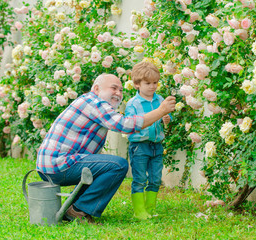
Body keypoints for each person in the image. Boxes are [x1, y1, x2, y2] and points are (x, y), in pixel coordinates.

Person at [36, 74, 175, 223]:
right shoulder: (94, 102)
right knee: (117, 165)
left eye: (121, 90)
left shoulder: (90, 102)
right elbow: (124, 125)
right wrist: (161, 111)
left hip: (52, 166)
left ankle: (72, 208)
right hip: (59, 165)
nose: (118, 93)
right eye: (113, 88)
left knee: (102, 167)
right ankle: (78, 210)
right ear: (96, 89)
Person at [125, 61, 171, 220]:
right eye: (148, 83)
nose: (152, 86)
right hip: (140, 146)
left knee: (155, 179)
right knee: (139, 179)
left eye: (155, 83)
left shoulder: (160, 100)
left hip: (156, 145)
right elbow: (131, 123)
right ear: (137, 84)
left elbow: (166, 117)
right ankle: (139, 211)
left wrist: (166, 118)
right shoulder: (133, 104)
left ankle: (150, 210)